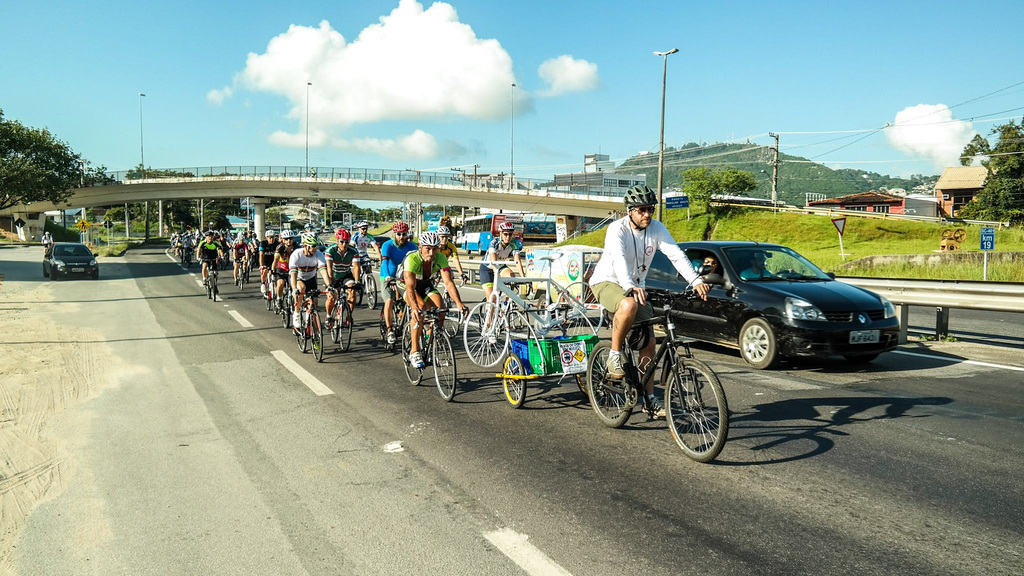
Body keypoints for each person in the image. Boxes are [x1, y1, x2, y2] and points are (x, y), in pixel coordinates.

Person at [588, 185, 710, 417]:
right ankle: (614, 355)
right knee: (628, 304)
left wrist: (695, 280)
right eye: (642, 210)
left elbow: (675, 254)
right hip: (607, 281)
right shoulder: (617, 229)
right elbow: (619, 260)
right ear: (630, 211)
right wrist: (630, 286)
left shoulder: (656, 228)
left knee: (649, 343)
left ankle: (650, 399)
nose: (647, 214)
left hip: (635, 286)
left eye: (650, 210)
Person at [402, 232, 468, 369]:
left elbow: (448, 283)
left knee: (441, 309)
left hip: (425, 284)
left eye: (434, 248)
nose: (431, 253)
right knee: (420, 309)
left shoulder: (440, 257)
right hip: (408, 286)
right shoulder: (412, 259)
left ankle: (429, 342)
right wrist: (414, 308)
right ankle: (414, 351)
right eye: (428, 248)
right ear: (420, 247)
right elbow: (410, 286)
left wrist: (459, 303)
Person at [379, 221, 418, 345]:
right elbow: (384, 262)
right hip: (388, 276)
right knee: (389, 300)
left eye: (404, 234)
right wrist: (387, 276)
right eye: (399, 234)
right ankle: (390, 330)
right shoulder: (387, 245)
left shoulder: (412, 246)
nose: (401, 237)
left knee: (411, 299)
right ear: (394, 234)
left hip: (403, 277)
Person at [288, 233, 331, 330]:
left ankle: (314, 330)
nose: (315, 248)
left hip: (310, 279)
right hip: (298, 278)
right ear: (305, 245)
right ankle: (296, 313)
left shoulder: (318, 254)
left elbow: (323, 271)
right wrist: (294, 288)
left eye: (316, 245)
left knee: (314, 304)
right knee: (301, 288)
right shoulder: (296, 254)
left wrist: (329, 286)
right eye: (313, 246)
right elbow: (293, 274)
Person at [481, 221, 526, 303]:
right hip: (487, 269)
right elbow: (494, 262)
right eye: (505, 234)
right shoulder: (494, 243)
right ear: (500, 233)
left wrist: (523, 278)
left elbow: (518, 261)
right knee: (492, 299)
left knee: (512, 277)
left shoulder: (513, 244)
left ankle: (506, 304)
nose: (508, 237)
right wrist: (498, 277)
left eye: (510, 234)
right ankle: (489, 315)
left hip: (501, 266)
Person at [324, 228, 361, 328]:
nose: (344, 244)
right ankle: (328, 316)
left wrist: (357, 282)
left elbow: (356, 267)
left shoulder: (353, 251)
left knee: (352, 292)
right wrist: (332, 284)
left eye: (347, 242)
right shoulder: (330, 250)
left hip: (346, 275)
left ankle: (349, 316)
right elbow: (329, 269)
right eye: (342, 242)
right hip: (334, 276)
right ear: (337, 241)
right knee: (332, 297)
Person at [272, 230, 296, 307]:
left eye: (290, 238)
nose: (289, 241)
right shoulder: (280, 248)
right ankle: (279, 298)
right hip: (281, 269)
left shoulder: (297, 247)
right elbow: (275, 260)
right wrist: (273, 271)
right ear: (283, 240)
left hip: (292, 269)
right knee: (280, 283)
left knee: (294, 285)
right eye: (286, 239)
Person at [259, 229, 279, 294]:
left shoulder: (277, 244)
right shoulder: (263, 243)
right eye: (270, 238)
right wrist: (262, 265)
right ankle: (263, 284)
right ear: (266, 238)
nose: (272, 239)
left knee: (275, 275)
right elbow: (261, 255)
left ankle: (275, 288)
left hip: (274, 261)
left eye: (273, 237)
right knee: (264, 271)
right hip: (265, 261)